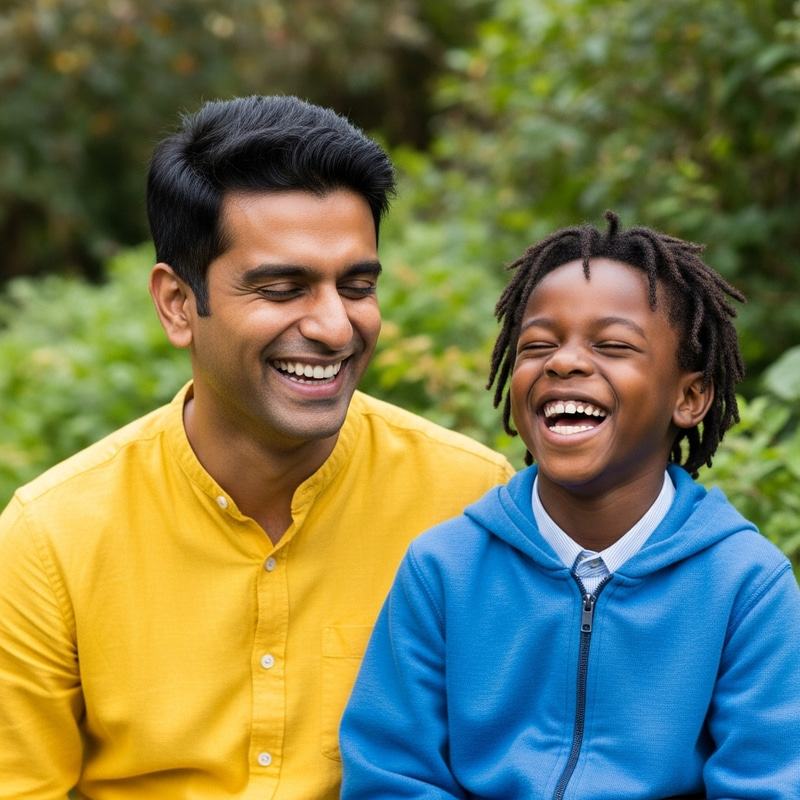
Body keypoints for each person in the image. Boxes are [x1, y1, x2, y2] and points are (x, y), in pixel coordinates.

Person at [0, 95, 514, 799]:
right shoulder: (50, 539)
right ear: (178, 304)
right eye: (281, 288)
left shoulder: (469, 502)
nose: (335, 327)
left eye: (357, 286)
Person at [340, 212, 800, 799]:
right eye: (538, 345)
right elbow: (390, 776)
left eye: (613, 345)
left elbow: (768, 782)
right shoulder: (444, 569)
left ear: (689, 397)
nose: (563, 362)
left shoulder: (746, 585)